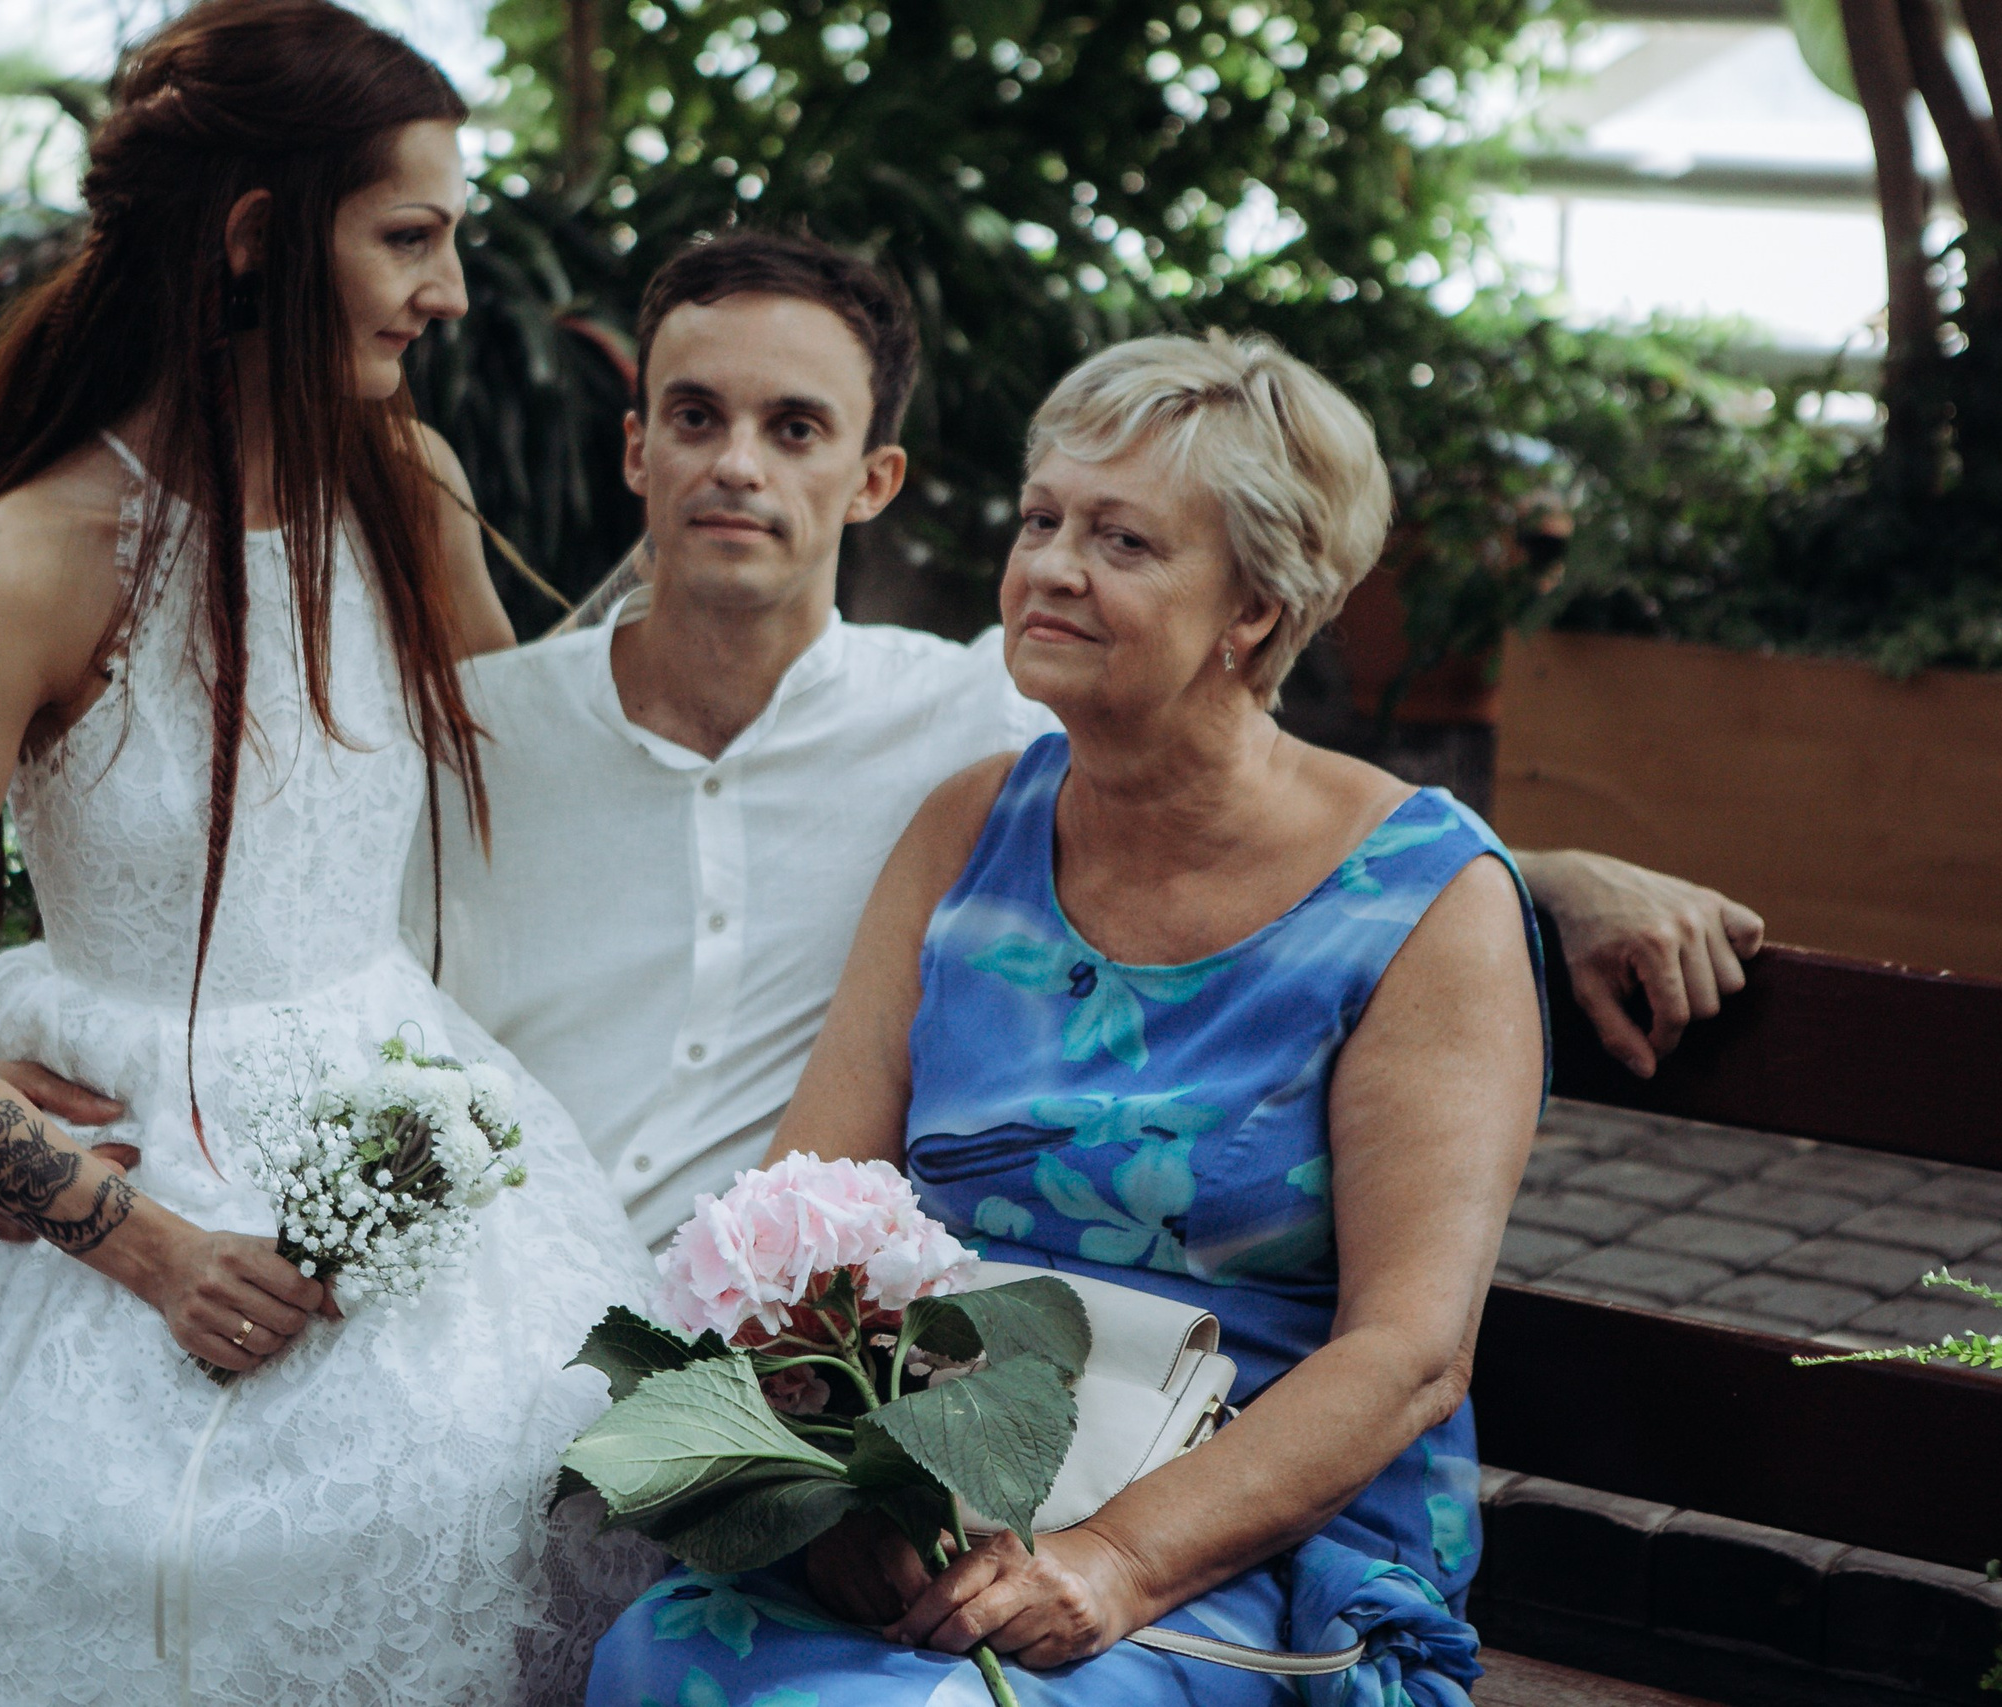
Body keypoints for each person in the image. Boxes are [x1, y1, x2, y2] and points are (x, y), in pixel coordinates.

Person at [0, 5, 652, 1702]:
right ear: (262, 238)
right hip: (125, 1194)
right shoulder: (28, 564)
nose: (453, 292)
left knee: (536, 1493)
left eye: (453, 239)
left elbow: (546, 798)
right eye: (410, 238)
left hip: (411, 1124)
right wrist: (140, 1244)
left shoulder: (408, 483)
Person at [413, 229, 1754, 1256]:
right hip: (508, 1302)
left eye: (797, 426)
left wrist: (1535, 878)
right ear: (636, 449)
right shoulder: (489, 737)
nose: (738, 466)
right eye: (697, 418)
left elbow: (1241, 799)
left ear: (875, 479)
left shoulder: (971, 726)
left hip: (779, 1349)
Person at [591, 329, 1536, 1707]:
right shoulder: (971, 825)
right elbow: (802, 1209)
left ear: (1256, 612)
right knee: (646, 1657)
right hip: (937, 1499)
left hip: (1238, 1540)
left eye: (1124, 542)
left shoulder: (1426, 901)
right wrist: (840, 1498)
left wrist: (1116, 1559)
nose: (1048, 566)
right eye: (1042, 520)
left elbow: (1408, 1357)